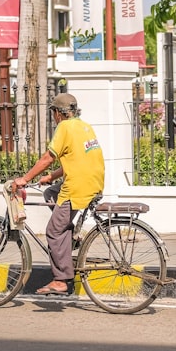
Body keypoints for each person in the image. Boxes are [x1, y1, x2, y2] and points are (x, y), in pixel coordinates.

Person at [11, 93, 104, 295]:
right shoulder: (84, 126)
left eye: (53, 112)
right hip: (93, 181)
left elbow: (48, 157)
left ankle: (61, 279)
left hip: (78, 186)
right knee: (51, 192)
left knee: (53, 231)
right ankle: (68, 236)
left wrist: (24, 179)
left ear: (57, 113)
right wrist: (51, 176)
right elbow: (77, 158)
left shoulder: (64, 127)